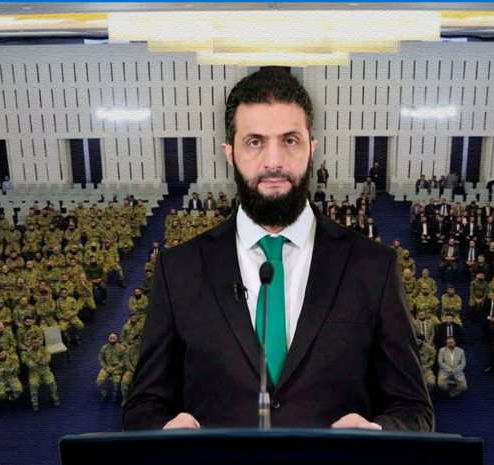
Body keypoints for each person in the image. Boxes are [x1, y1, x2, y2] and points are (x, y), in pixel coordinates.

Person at [123, 69, 433, 431]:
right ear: (230, 153)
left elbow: (413, 408)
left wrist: (379, 434)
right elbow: (143, 405)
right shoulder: (178, 269)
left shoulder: (373, 266)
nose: (274, 161)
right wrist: (163, 433)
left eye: (290, 140)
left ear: (311, 148)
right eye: (255, 142)